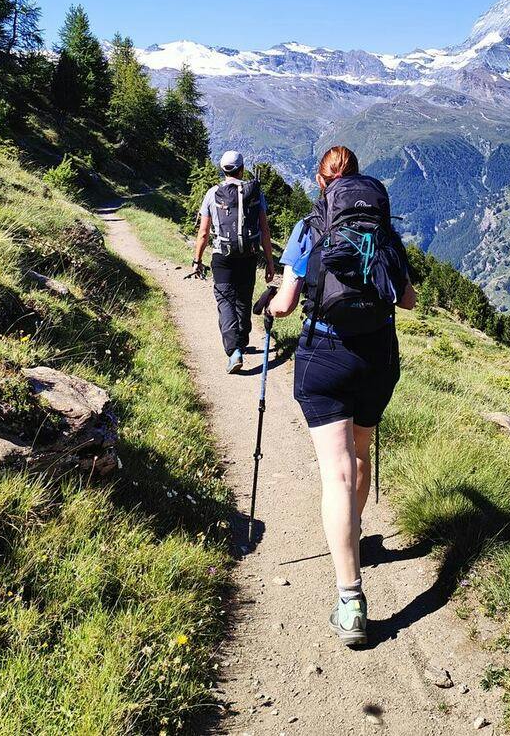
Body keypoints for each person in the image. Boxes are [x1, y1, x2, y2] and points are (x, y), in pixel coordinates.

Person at [266, 145, 415, 646]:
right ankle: (355, 533)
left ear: (321, 182)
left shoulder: (309, 228)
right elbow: (408, 299)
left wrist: (270, 306)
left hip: (324, 355)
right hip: (376, 356)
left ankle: (350, 599)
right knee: (361, 452)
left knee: (336, 470)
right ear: (360, 182)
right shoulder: (384, 230)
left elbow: (286, 304)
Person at [193, 150, 275, 373]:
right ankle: (241, 340)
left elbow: (203, 232)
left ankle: (234, 350)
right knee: (243, 298)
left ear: (223, 169)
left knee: (225, 300)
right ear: (242, 168)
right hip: (248, 255)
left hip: (222, 257)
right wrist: (270, 262)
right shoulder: (255, 192)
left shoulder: (213, 193)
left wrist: (197, 260)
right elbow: (264, 229)